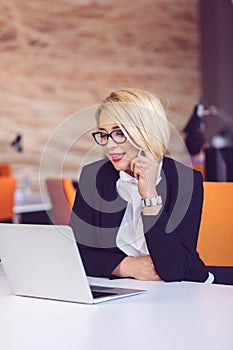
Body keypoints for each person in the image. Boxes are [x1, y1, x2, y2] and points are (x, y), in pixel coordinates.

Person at [70, 88, 213, 283]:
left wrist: (150, 196)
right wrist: (128, 266)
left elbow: (173, 269)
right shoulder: (94, 176)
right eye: (103, 134)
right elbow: (77, 253)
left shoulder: (186, 181)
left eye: (119, 132)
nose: (109, 145)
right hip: (125, 289)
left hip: (184, 292)